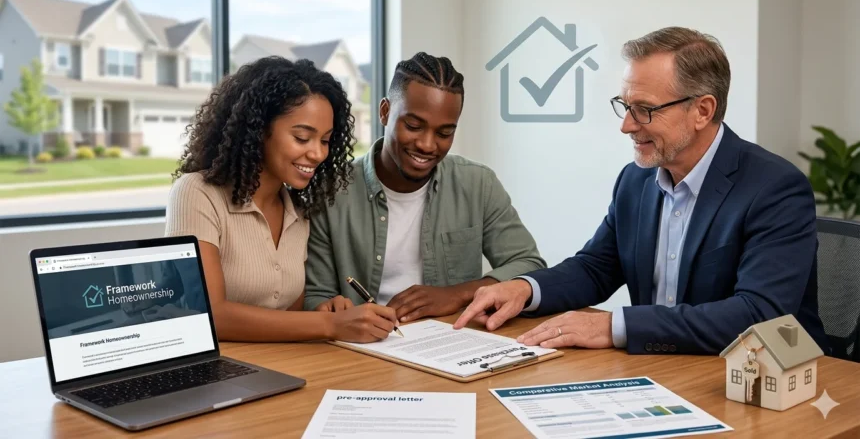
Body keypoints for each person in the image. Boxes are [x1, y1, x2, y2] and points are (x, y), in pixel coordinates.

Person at [455, 27, 829, 355]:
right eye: (625, 106)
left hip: (765, 383)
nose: (627, 126)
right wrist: (525, 288)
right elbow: (596, 268)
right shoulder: (636, 180)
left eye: (645, 110)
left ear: (702, 110)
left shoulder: (775, 188)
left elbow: (756, 315)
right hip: (663, 371)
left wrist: (616, 326)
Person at [165, 56, 398, 343]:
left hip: (283, 367)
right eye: (302, 138)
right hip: (218, 373)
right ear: (257, 130)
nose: (318, 154)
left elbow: (288, 315)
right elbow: (211, 314)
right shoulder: (197, 194)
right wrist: (328, 323)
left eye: (325, 140)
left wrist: (322, 312)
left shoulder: (298, 210)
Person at [304, 52, 546, 323]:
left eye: (444, 133)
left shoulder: (478, 184)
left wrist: (455, 294)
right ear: (385, 111)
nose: (428, 145)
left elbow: (529, 265)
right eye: (414, 126)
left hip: (450, 345)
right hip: (363, 349)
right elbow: (317, 294)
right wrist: (331, 311)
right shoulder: (331, 190)